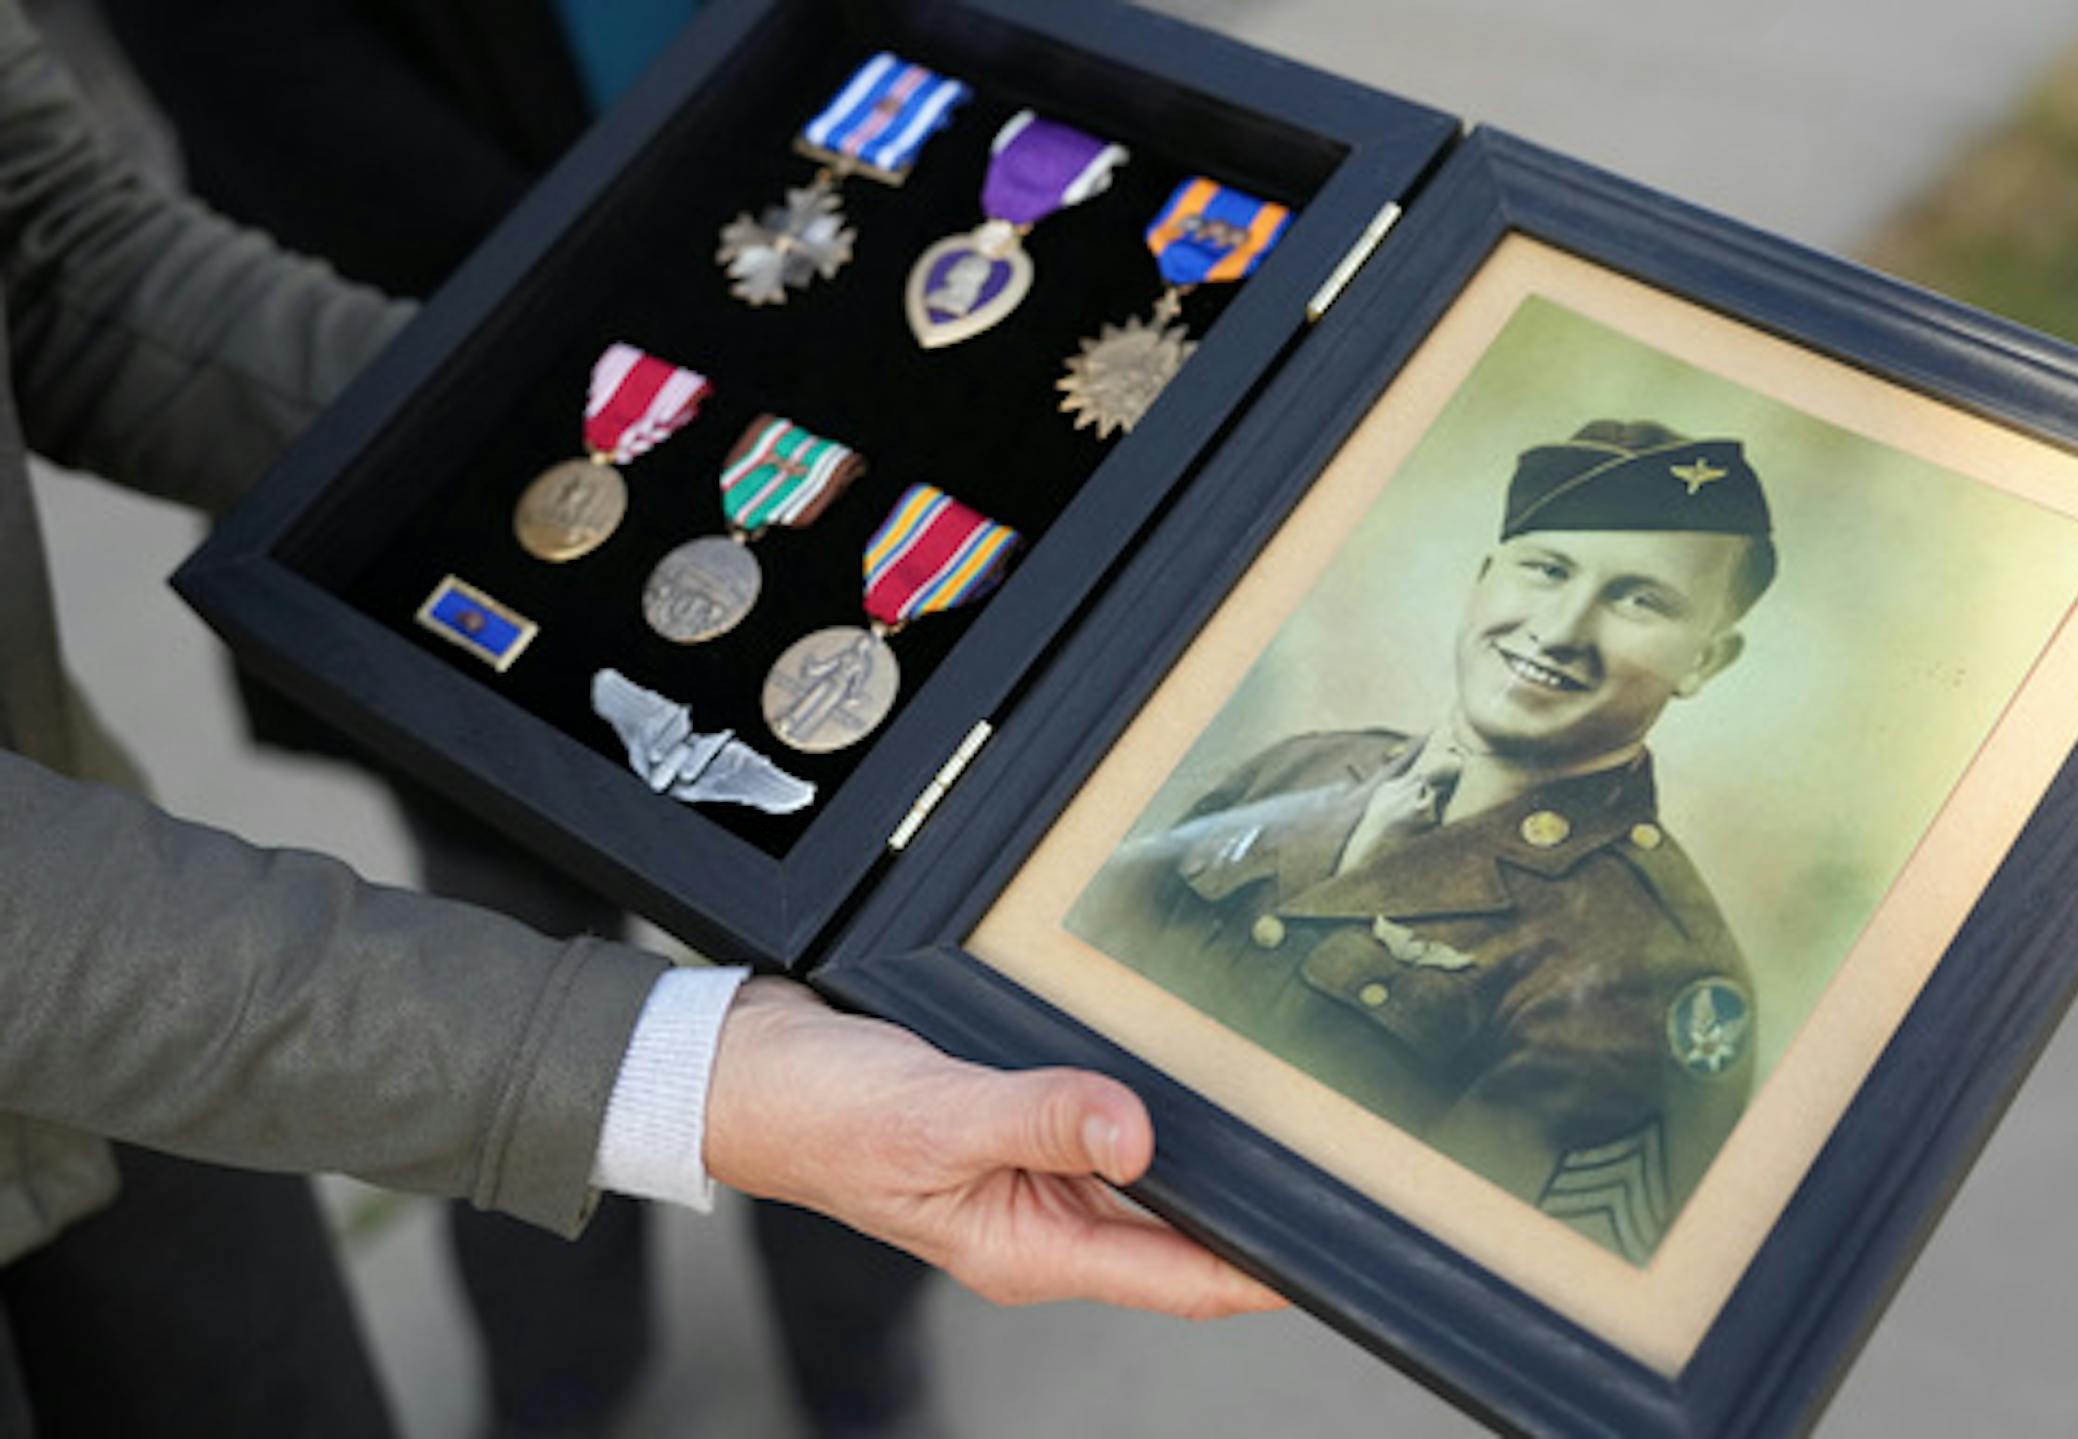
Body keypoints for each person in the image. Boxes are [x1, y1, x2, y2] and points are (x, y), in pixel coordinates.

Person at [0, 6, 1277, 1435]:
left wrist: (595, 435)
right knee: (523, 996)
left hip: (135, 1052)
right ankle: (561, 1391)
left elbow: (57, 255)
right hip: (157, 908)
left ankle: (849, 1373)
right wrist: (674, 1070)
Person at [86, 4, 934, 1435]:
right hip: (481, 484)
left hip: (809, 400)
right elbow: (285, 140)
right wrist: (658, 363)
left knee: (839, 974)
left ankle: (858, 1360)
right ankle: (562, 1385)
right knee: (509, 955)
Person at [1070, 419, 1776, 1265]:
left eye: (1639, 599)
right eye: (1546, 569)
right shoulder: (1301, 769)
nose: (1559, 629)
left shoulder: (1650, 967)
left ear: (1707, 661)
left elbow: (1445, 1271)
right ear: (1484, 581)